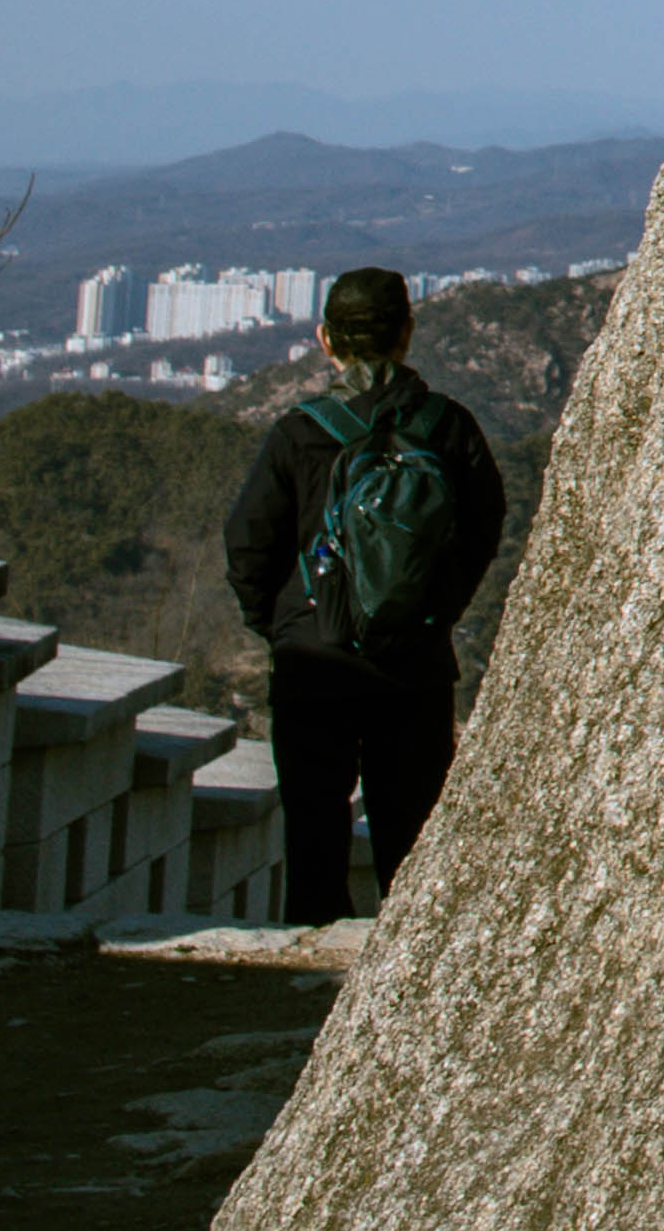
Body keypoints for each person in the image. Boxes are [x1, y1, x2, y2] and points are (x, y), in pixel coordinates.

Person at [223, 266, 511, 924]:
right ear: (407, 333)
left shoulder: (300, 432)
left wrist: (283, 626)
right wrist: (432, 611)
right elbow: (483, 532)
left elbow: (248, 544)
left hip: (314, 662)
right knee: (412, 842)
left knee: (314, 833)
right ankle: (409, 967)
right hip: (414, 664)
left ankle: (310, 964)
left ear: (326, 339)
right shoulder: (448, 427)